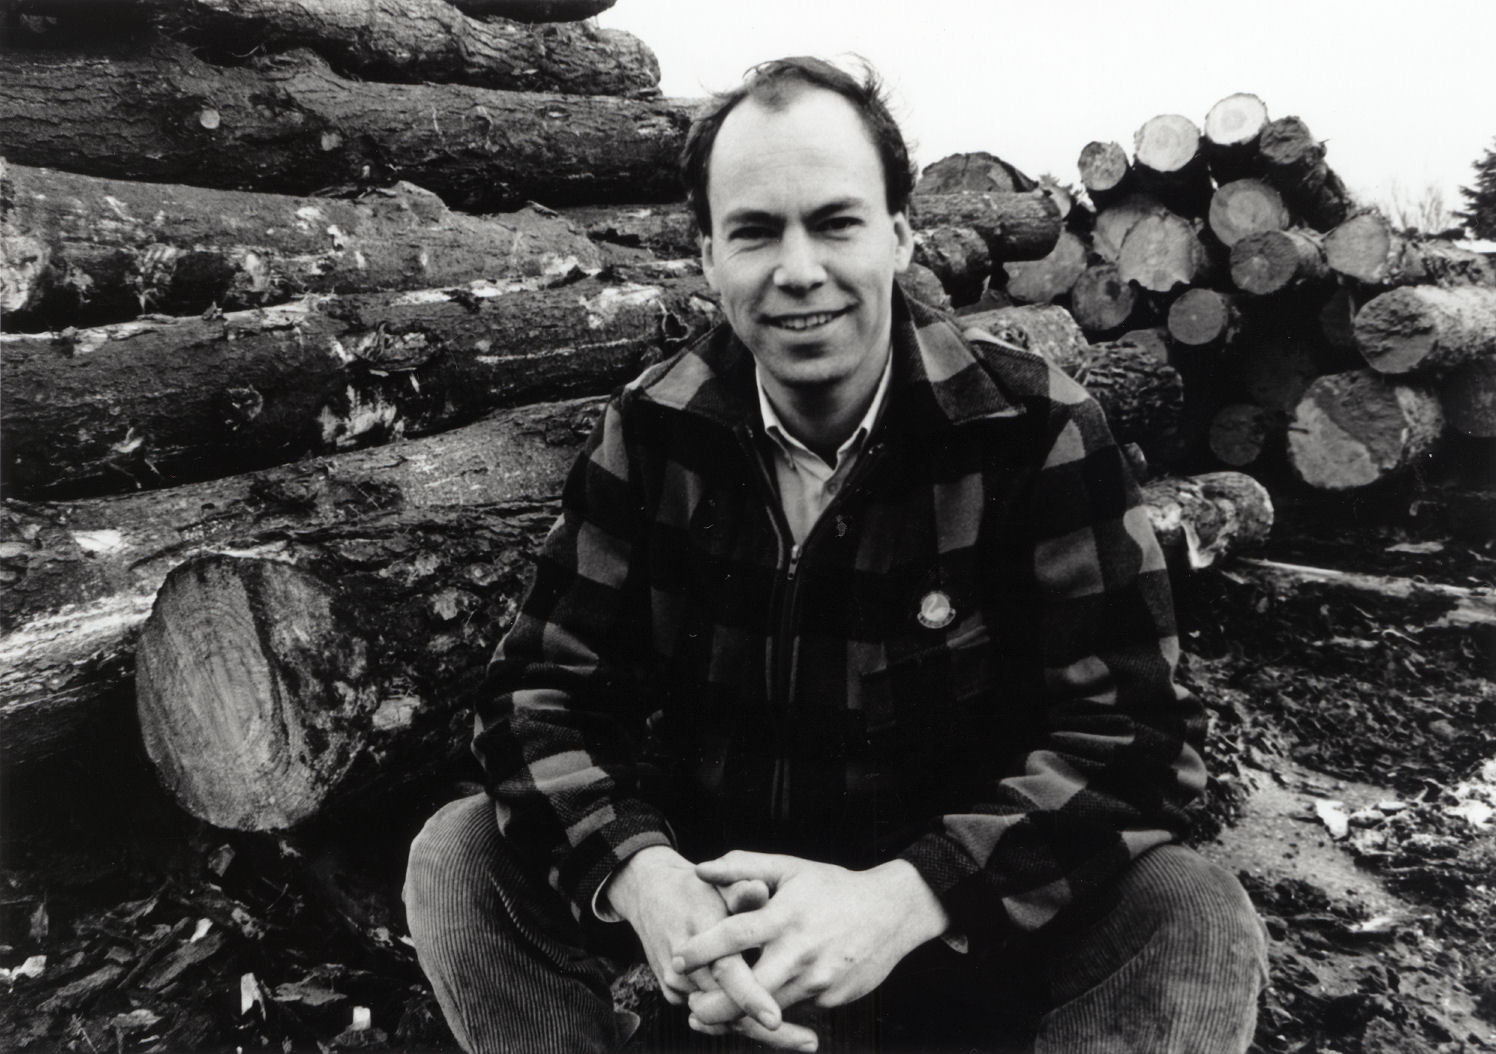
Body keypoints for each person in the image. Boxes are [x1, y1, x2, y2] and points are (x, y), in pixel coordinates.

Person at [404, 56, 1268, 1054]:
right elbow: (534, 693)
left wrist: (906, 898)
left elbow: (1137, 741)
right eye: (756, 231)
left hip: (953, 944)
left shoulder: (1032, 430)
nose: (797, 269)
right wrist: (645, 879)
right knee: (458, 857)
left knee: (1184, 912)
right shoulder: (654, 431)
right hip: (721, 951)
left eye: (835, 221)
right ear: (707, 253)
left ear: (899, 234)